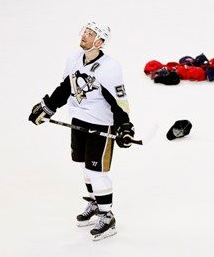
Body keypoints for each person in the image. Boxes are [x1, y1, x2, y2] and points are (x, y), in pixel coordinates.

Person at [28, 22, 135, 241]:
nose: (85, 35)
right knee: (85, 167)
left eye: (90, 34)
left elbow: (119, 101)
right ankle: (95, 203)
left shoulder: (110, 68)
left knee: (97, 172)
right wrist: (47, 107)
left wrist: (124, 126)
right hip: (79, 121)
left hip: (100, 126)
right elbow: (66, 87)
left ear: (100, 42)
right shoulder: (74, 58)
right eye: (85, 32)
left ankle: (108, 216)